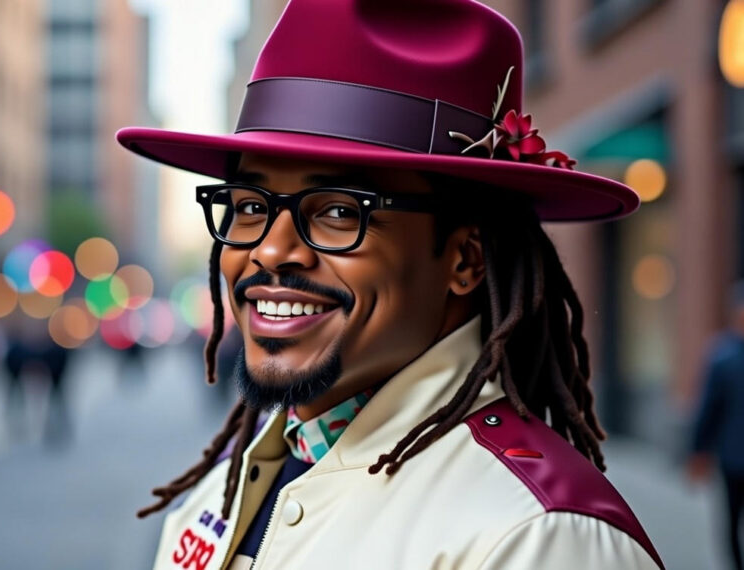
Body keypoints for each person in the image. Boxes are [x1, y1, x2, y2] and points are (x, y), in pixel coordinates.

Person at [118, 1, 664, 568]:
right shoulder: (226, 486)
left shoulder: (536, 538)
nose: (271, 250)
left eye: (338, 211)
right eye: (251, 205)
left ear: (465, 259)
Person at [689, 282, 744, 570]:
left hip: (733, 454)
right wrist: (699, 450)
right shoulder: (723, 357)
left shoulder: (722, 356)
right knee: (732, 519)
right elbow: (709, 409)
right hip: (733, 458)